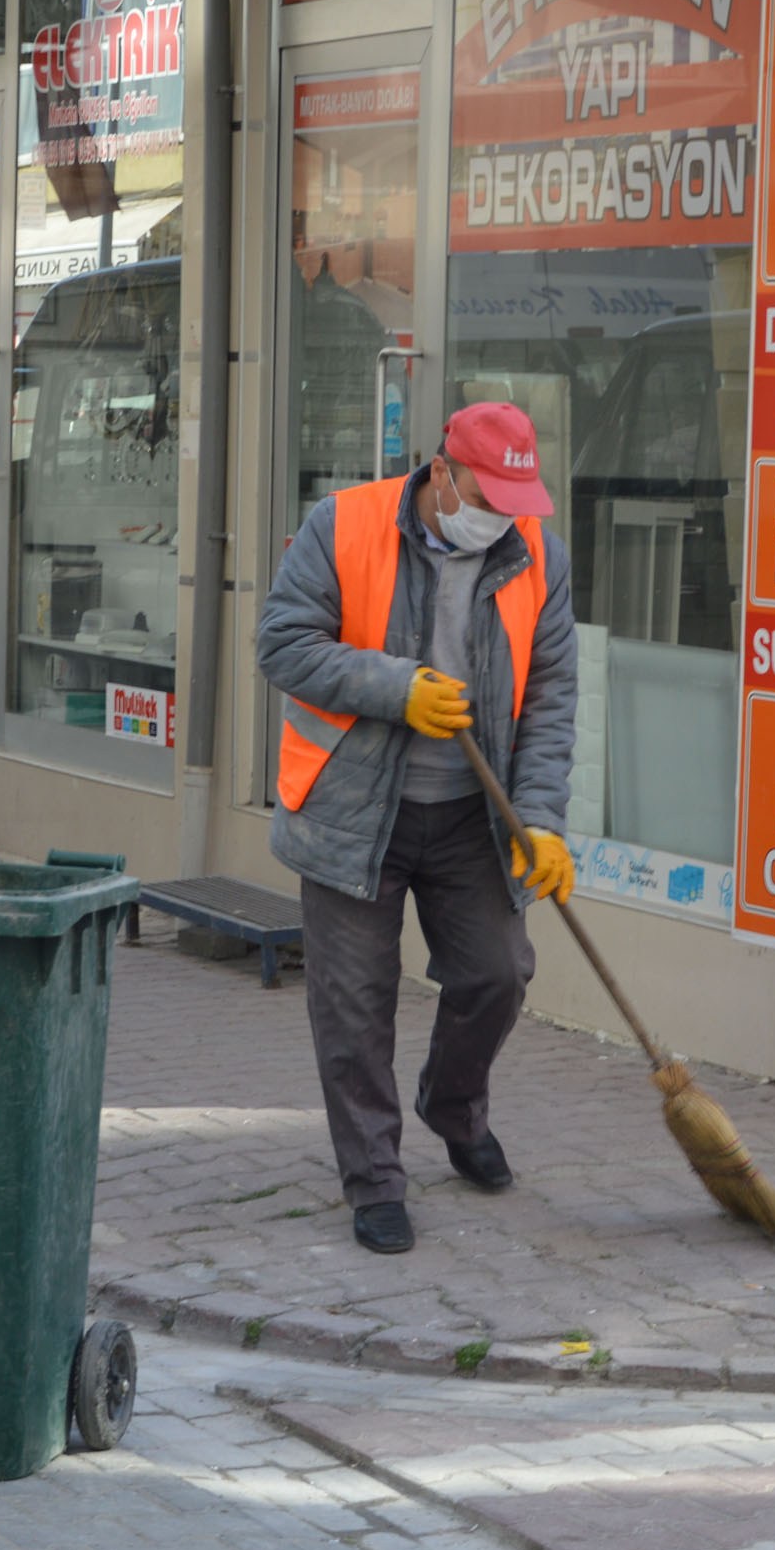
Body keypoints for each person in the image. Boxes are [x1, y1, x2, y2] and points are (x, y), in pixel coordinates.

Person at [256, 402, 578, 1255]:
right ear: (442, 474)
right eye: (488, 493)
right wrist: (393, 687)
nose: (501, 514)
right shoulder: (344, 523)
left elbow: (549, 698)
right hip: (352, 809)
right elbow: (283, 645)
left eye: (516, 498)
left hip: (473, 815)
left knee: (498, 974)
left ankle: (452, 1105)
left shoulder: (537, 552)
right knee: (354, 1007)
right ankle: (374, 1179)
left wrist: (540, 823)